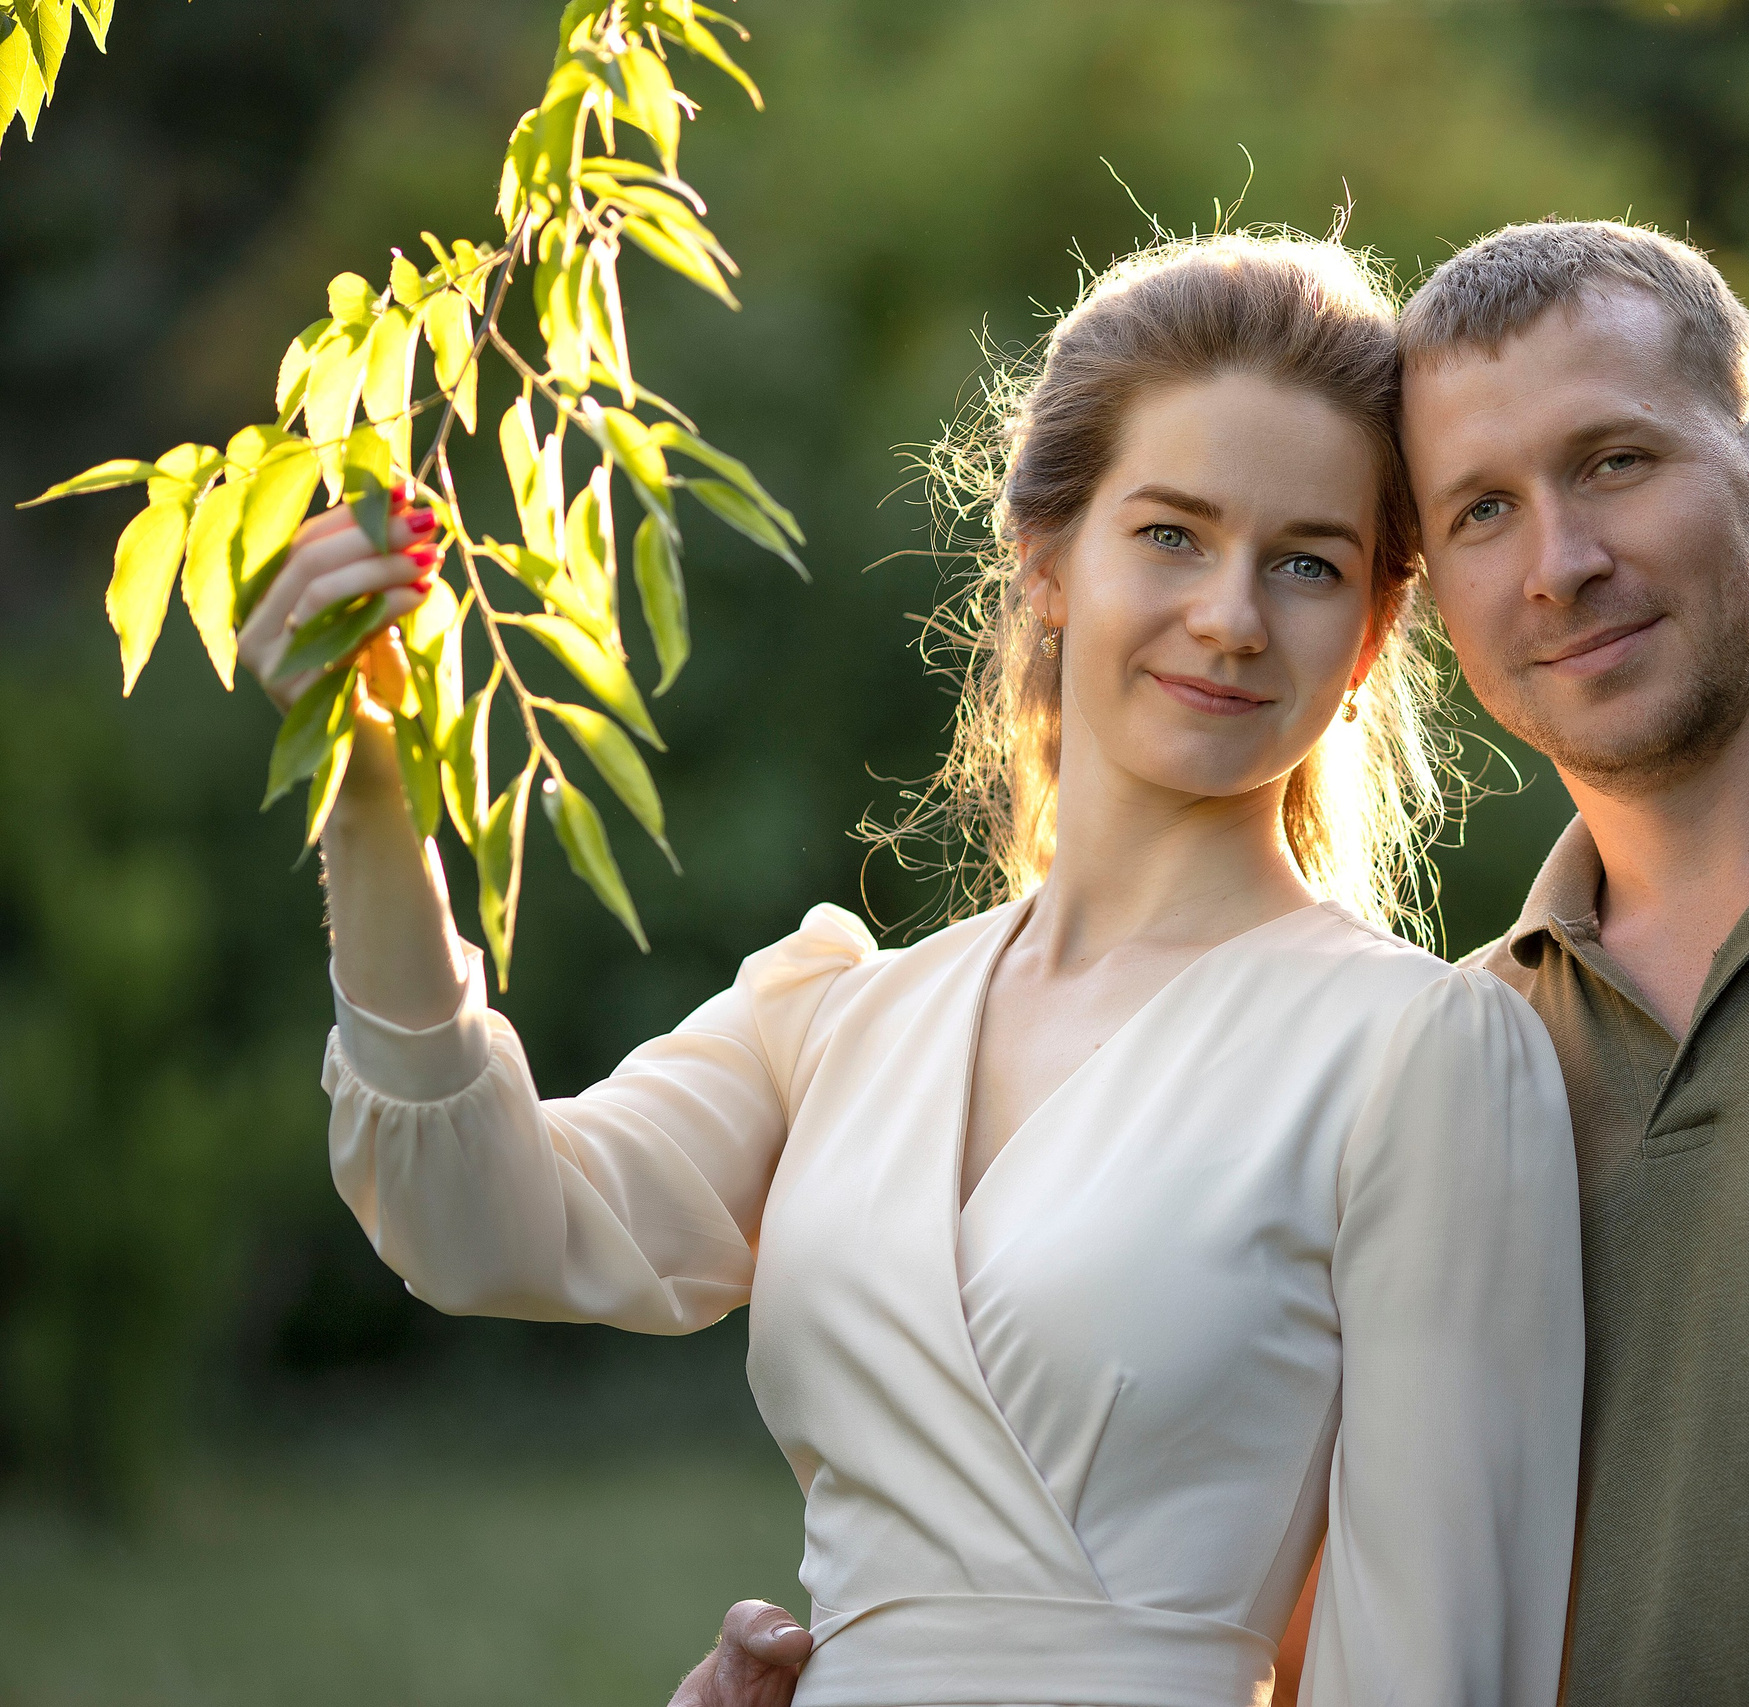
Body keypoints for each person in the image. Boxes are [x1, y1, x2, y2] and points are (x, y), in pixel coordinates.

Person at [675, 221, 1749, 1707]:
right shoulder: (1455, 1048)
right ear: (1419, 603)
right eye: (1483, 512)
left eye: (1616, 464)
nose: (1561, 564)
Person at [244, 231, 1585, 1706]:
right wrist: (369, 781)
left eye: (1308, 563)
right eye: (1170, 534)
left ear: (1374, 628)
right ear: (1048, 554)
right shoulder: (838, 1018)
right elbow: (476, 1220)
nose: (1231, 615)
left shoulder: (1425, 1050)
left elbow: (1435, 1666)